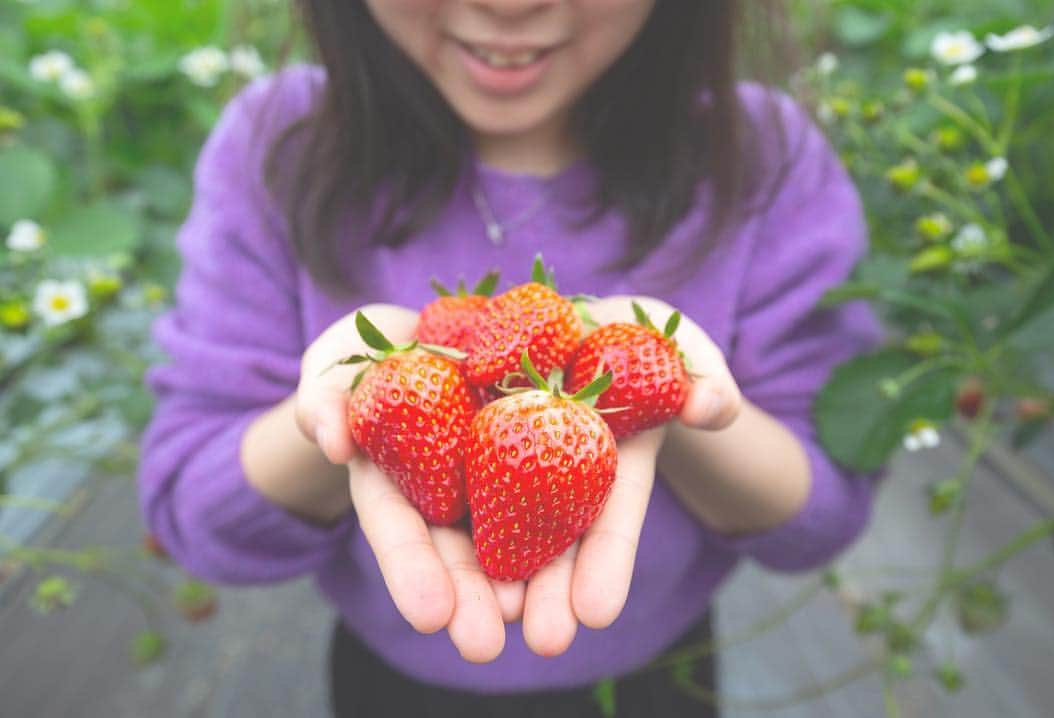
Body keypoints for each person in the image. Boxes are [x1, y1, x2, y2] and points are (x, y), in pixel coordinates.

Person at [137, 1, 881, 715]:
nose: (509, 3)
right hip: (391, 679)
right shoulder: (280, 146)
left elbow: (822, 514)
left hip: (660, 677)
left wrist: (662, 397)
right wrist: (339, 413)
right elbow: (192, 510)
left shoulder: (762, 160)